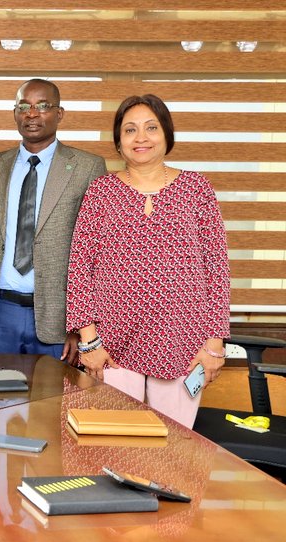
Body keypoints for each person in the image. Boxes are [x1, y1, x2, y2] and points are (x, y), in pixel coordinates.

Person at [66, 94, 230, 428]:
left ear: (167, 134)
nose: (141, 138)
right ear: (118, 142)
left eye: (151, 128)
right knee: (112, 447)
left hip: (183, 343)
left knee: (174, 453)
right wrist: (89, 341)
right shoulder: (101, 192)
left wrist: (214, 344)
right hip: (111, 346)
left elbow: (217, 269)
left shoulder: (197, 189)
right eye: (130, 130)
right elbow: (80, 269)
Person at [0, 79, 107, 363]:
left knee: (51, 405)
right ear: (15, 113)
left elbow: (97, 253)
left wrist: (80, 326)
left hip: (59, 317)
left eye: (43, 106)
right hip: (0, 314)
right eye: (24, 106)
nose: (31, 114)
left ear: (59, 114)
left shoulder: (88, 167)